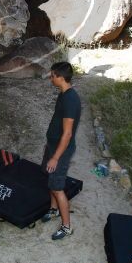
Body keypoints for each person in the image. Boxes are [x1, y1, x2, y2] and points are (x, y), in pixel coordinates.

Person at [40, 62, 81, 241]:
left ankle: (66, 227)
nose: (51, 78)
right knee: (49, 179)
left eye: (52, 75)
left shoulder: (71, 100)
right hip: (52, 145)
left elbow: (68, 133)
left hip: (61, 151)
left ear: (60, 77)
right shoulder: (63, 95)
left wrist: (55, 157)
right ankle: (53, 209)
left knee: (57, 187)